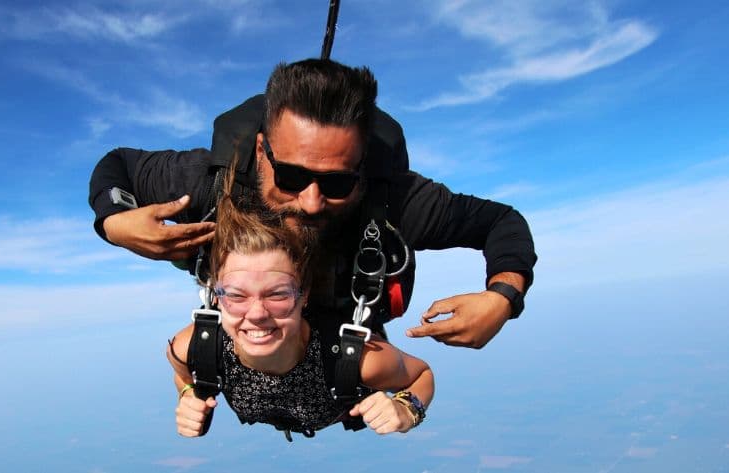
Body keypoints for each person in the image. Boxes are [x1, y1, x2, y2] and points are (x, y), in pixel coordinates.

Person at [88, 58, 537, 349]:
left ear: (362, 168)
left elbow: (500, 221)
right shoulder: (209, 183)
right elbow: (118, 163)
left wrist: (502, 298)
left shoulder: (394, 200)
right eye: (292, 176)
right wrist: (115, 221)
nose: (312, 201)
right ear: (262, 152)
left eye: (338, 182)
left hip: (353, 363)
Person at [166, 166, 434, 439]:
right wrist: (187, 395)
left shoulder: (358, 361)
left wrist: (406, 410)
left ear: (304, 293)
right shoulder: (193, 348)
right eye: (236, 295)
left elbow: (421, 375)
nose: (257, 313)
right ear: (215, 297)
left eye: (278, 294)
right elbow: (185, 376)